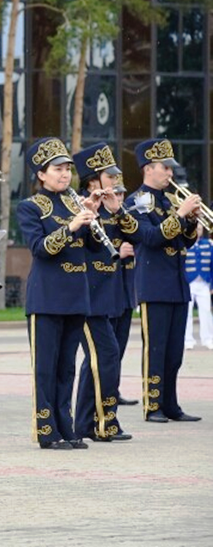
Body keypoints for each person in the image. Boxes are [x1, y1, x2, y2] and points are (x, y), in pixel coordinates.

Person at [17, 138, 98, 450]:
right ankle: (45, 429)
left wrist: (92, 217)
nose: (65, 175)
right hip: (47, 297)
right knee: (46, 367)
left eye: (67, 169)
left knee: (66, 367)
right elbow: (40, 249)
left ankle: (67, 427)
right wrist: (72, 226)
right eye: (57, 169)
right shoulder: (30, 206)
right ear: (41, 174)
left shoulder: (76, 202)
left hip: (76, 295)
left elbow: (92, 248)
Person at [124, 138, 202, 423]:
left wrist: (191, 221)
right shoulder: (136, 201)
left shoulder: (171, 200)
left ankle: (171, 404)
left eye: (170, 169)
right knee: (155, 349)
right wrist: (180, 215)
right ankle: (152, 405)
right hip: (154, 284)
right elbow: (150, 238)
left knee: (174, 353)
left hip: (178, 284)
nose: (170, 174)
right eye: (165, 168)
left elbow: (186, 242)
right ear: (148, 169)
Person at [72, 143, 135, 442]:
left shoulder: (114, 207)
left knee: (100, 361)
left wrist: (117, 210)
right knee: (106, 356)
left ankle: (86, 423)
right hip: (90, 296)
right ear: (93, 181)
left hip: (114, 296)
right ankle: (105, 422)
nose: (115, 183)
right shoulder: (79, 209)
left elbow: (141, 235)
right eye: (109, 177)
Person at [110, 174, 139, 406]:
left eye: (122, 193)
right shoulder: (103, 217)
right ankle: (107, 391)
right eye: (116, 192)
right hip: (108, 294)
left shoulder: (126, 218)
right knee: (107, 351)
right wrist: (118, 252)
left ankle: (114, 389)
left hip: (127, 290)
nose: (120, 197)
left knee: (119, 347)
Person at [184, 228, 213, 350]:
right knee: (188, 313)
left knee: (206, 311)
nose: (198, 230)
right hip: (189, 283)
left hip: (204, 283)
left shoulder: (208, 244)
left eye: (200, 229)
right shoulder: (185, 244)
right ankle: (188, 340)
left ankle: (208, 338)